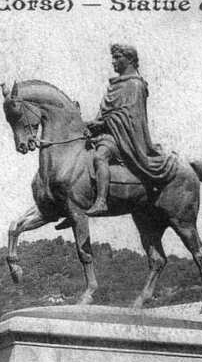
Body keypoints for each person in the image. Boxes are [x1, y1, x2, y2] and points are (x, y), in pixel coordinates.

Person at [59, 44, 176, 229]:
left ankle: (101, 201)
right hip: (107, 134)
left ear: (129, 59)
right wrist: (92, 124)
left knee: (99, 157)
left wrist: (104, 124)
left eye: (117, 57)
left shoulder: (135, 84)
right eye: (112, 58)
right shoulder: (115, 85)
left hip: (124, 139)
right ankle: (75, 205)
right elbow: (105, 113)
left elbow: (130, 117)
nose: (113, 62)